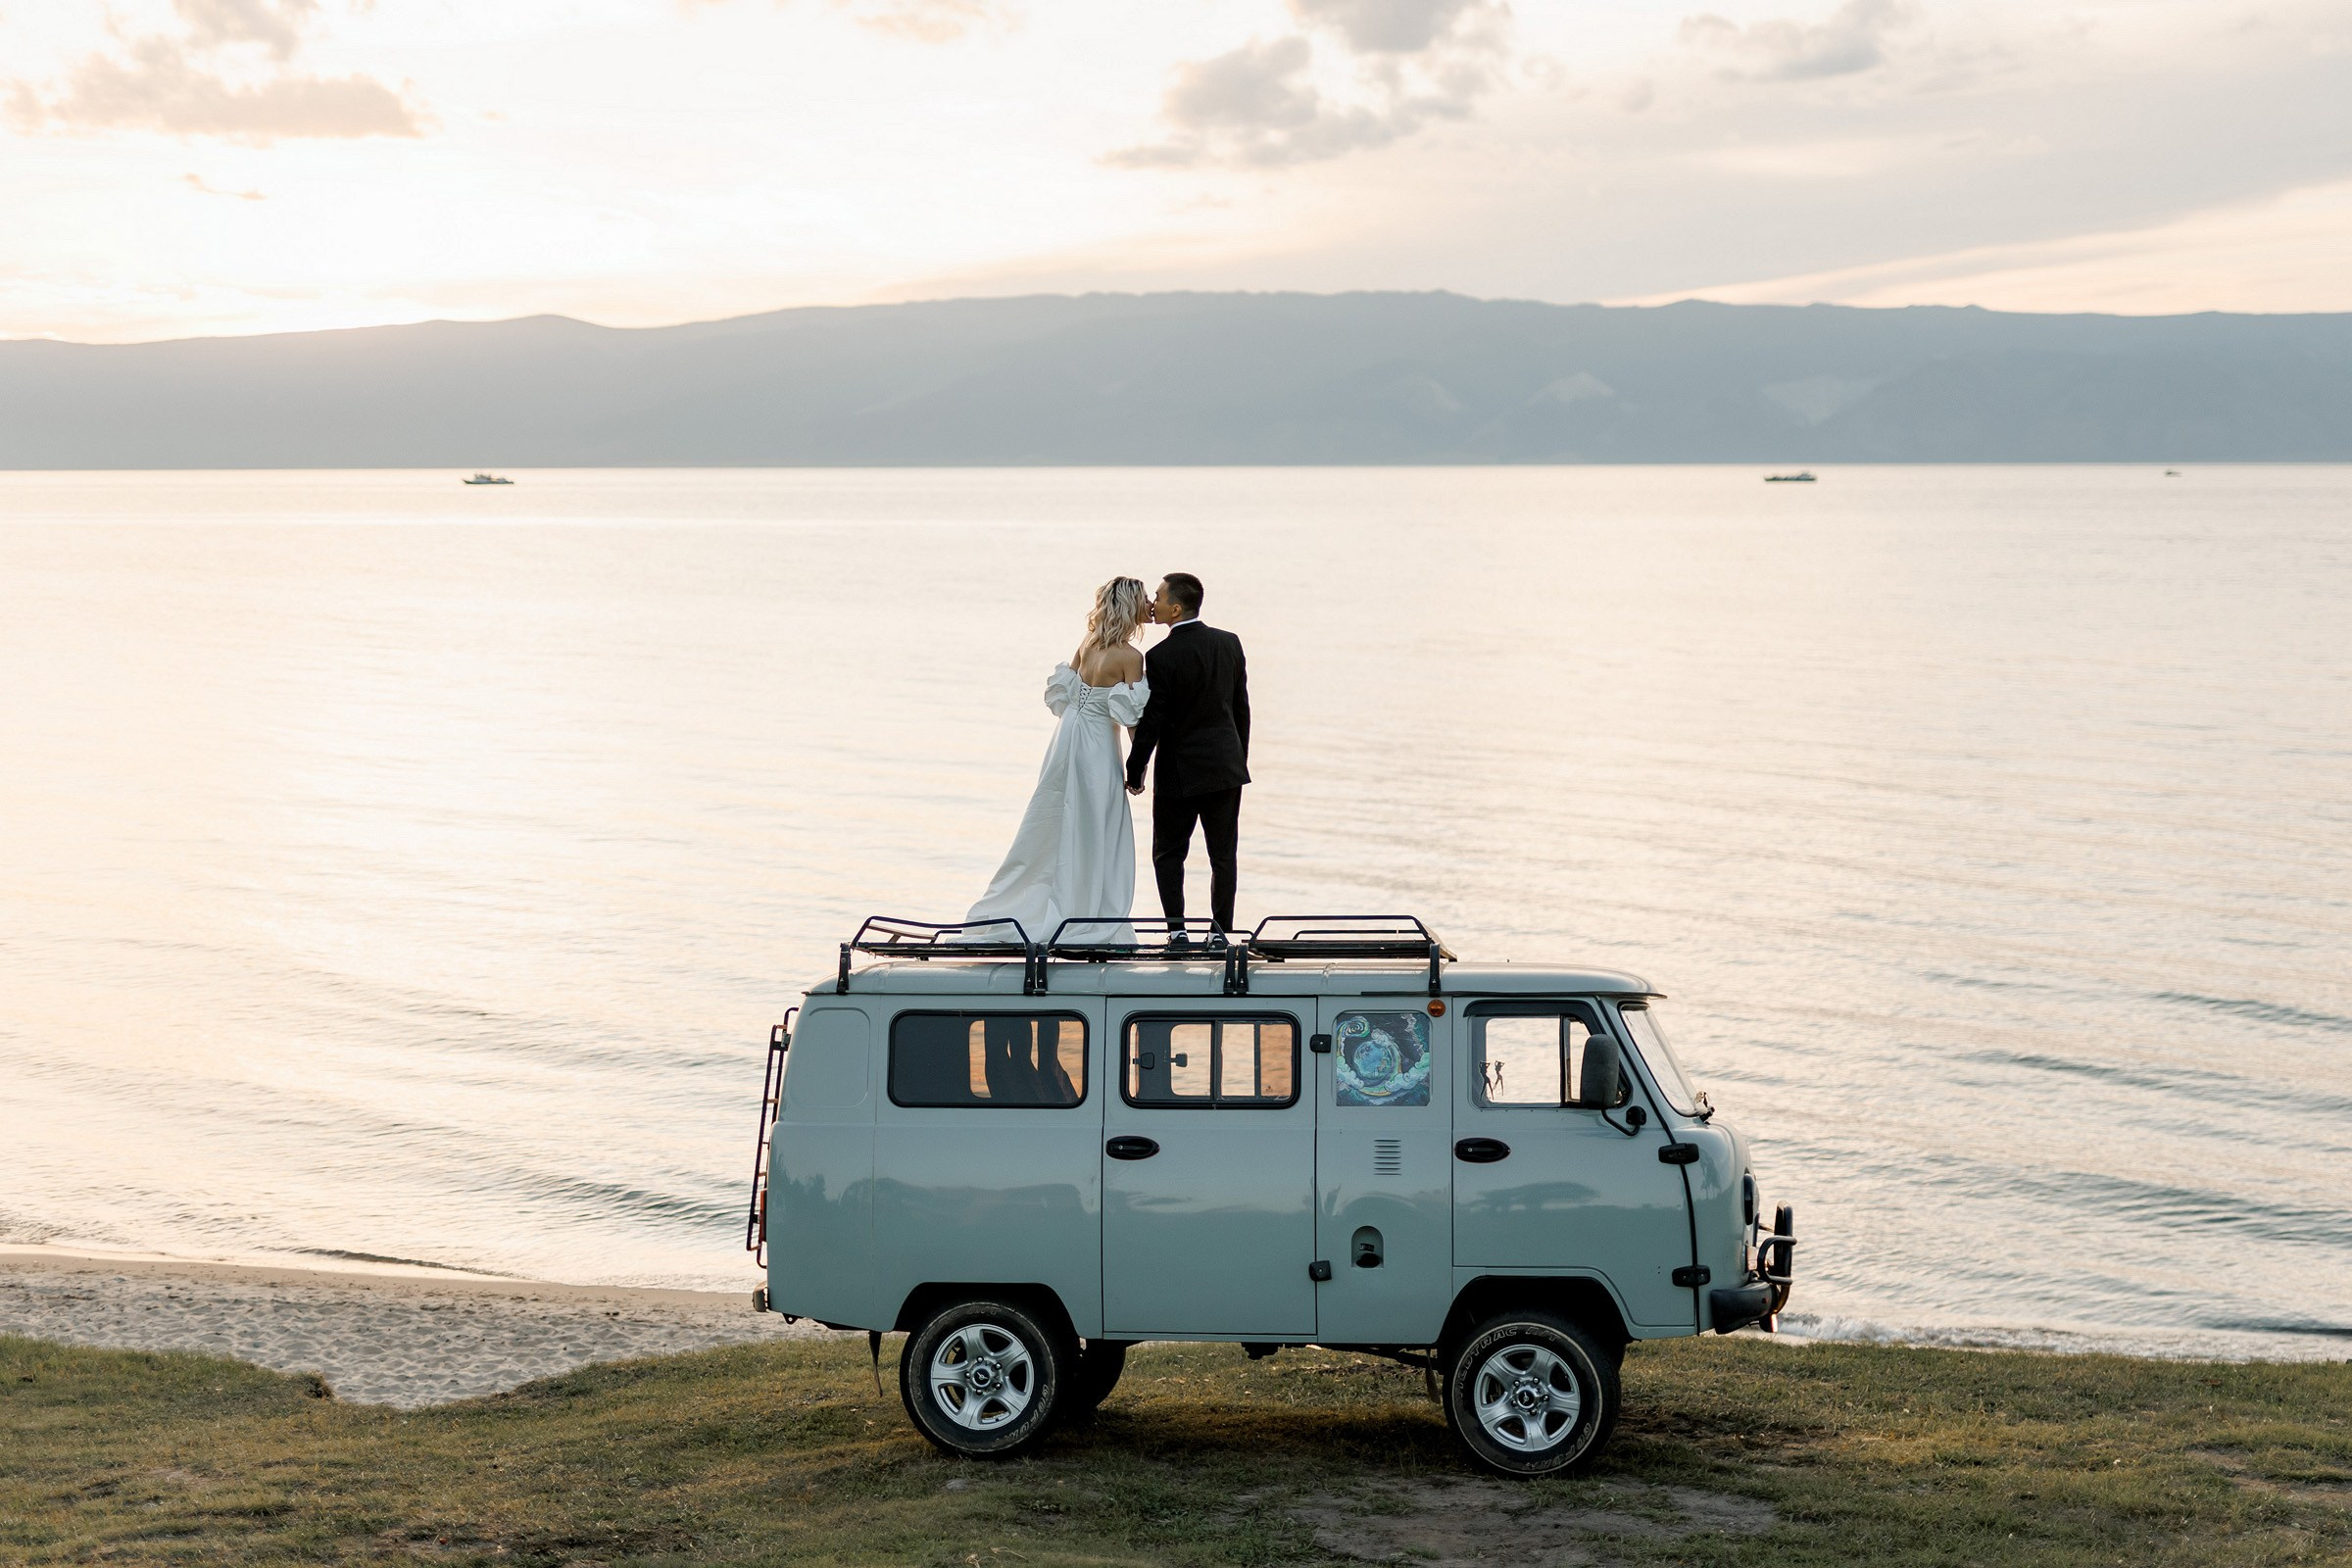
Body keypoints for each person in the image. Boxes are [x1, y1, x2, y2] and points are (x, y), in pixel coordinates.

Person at [963, 577, 1151, 944]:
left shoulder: (1088, 642)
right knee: (1095, 819)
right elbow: (1131, 717)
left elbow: (1066, 693)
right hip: (1097, 743)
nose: (1148, 604)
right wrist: (1138, 766)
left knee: (1058, 817)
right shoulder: (1131, 657)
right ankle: (1085, 906)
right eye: (1143, 599)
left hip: (1067, 737)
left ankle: (1043, 895)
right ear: (1130, 606)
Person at [1124, 572, 1250, 936]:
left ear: (1176, 609)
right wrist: (1238, 758)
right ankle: (1220, 932)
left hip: (1178, 774)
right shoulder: (1229, 642)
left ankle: (1177, 932)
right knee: (1223, 856)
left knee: (1168, 854)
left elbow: (1154, 720)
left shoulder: (1160, 656)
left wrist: (1136, 768)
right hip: (1226, 769)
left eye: (1159, 597)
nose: (1153, 604)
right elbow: (1241, 708)